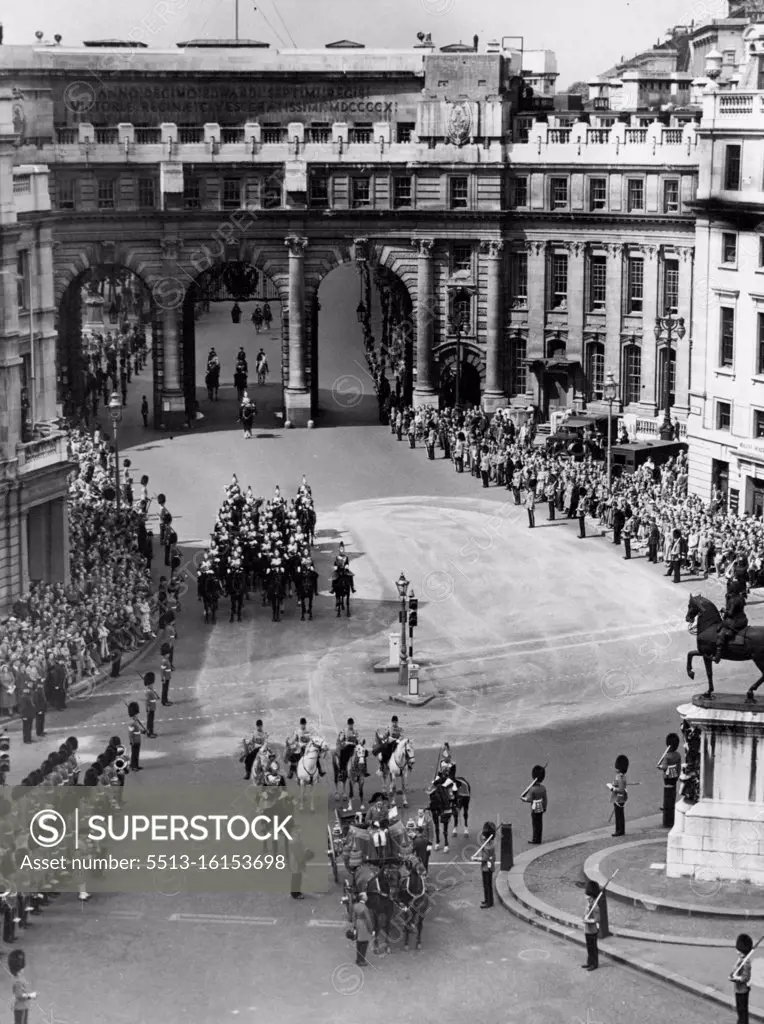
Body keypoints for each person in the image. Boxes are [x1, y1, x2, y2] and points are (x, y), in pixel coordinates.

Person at [715, 578, 749, 663]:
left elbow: (730, 613)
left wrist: (723, 610)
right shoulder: (741, 598)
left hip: (735, 621)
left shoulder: (733, 600)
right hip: (743, 619)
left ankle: (718, 654)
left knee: (721, 632)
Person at [657, 733, 682, 828]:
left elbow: (664, 767)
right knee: (673, 791)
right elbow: (679, 765)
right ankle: (670, 805)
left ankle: (667, 806)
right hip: (675, 775)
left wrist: (659, 767)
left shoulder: (667, 756)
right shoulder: (677, 755)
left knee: (668, 791)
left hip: (667, 776)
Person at [521, 765, 548, 845]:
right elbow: (545, 799)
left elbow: (529, 799)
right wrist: (545, 807)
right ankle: (538, 838)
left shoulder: (532, 789)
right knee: (539, 823)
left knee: (535, 824)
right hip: (541, 806)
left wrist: (523, 799)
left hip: (534, 807)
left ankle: (535, 839)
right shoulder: (543, 788)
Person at [9, 948, 37, 1024]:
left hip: (20, 1007)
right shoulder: (18, 981)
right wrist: (31, 996)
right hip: (21, 1008)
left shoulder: (17, 978)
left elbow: (16, 994)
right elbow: (20, 995)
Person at [731, 933, 753, 1024]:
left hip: (742, 991)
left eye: (739, 951)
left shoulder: (746, 962)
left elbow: (745, 978)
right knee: (740, 1010)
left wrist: (735, 978)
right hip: (738, 990)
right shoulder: (741, 959)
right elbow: (735, 968)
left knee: (742, 1011)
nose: (737, 952)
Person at [608, 754, 629, 837]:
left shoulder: (619, 777)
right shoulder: (622, 776)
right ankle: (621, 830)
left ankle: (619, 830)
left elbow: (620, 789)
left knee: (618, 815)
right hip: (621, 798)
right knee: (620, 814)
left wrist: (612, 788)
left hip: (619, 798)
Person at [352, 892, 374, 968]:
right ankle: (362, 960)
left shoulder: (355, 906)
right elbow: (368, 920)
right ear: (363, 898)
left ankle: (358, 959)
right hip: (364, 925)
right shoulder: (365, 908)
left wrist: (354, 927)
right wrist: (371, 930)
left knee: (358, 943)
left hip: (357, 923)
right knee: (364, 943)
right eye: (365, 896)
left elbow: (353, 917)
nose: (367, 897)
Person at [582, 880, 600, 970]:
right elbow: (585, 914)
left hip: (592, 930)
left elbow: (597, 919)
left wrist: (588, 920)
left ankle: (595, 964)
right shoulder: (589, 905)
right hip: (587, 930)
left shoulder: (595, 907)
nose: (587, 898)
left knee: (593, 948)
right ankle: (589, 962)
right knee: (589, 948)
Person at [479, 821, 496, 908]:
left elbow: (484, 858)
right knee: (487, 885)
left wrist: (476, 859)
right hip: (489, 867)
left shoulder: (487, 846)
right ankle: (488, 900)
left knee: (487, 885)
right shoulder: (490, 843)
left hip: (486, 868)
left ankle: (489, 902)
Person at [127, 701, 147, 771]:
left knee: (136, 754)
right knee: (134, 754)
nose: (137, 716)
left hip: (138, 740)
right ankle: (133, 766)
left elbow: (137, 730)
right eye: (136, 715)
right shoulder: (132, 723)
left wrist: (143, 732)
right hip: (135, 741)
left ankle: (136, 765)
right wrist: (131, 741)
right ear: (134, 715)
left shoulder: (134, 722)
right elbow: (130, 733)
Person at [144, 672, 159, 738]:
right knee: (150, 722)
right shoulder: (148, 692)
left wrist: (156, 697)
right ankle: (149, 733)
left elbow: (152, 698)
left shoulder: (150, 690)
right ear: (149, 684)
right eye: (151, 684)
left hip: (152, 707)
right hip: (150, 708)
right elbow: (147, 701)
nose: (152, 685)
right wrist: (148, 708)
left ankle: (151, 732)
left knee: (151, 721)